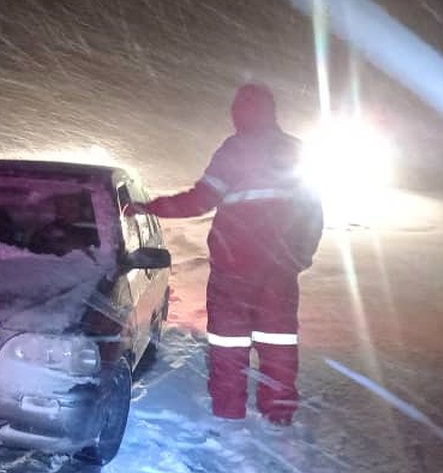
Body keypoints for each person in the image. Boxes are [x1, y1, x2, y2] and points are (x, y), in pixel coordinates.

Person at [137, 83, 324, 425]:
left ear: (242, 113)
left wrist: (151, 208)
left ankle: (228, 413)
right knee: (278, 344)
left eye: (238, 110)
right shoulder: (293, 150)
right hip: (277, 275)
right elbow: (313, 213)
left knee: (228, 345)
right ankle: (278, 415)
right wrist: (298, 258)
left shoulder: (234, 151)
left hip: (232, 272)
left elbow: (199, 200)